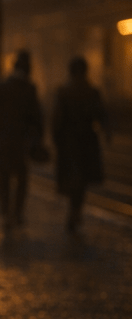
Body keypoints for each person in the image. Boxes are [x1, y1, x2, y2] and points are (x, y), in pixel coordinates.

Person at [0, 50, 45, 232]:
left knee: (3, 177)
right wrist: (37, 140)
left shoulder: (0, 86)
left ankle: (5, 213)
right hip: (20, 142)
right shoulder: (29, 88)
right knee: (21, 178)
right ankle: (17, 213)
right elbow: (37, 118)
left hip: (1, 141)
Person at [51, 56, 111, 233]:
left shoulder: (63, 92)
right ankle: (75, 211)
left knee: (73, 177)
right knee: (82, 179)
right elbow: (102, 114)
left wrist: (57, 138)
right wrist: (106, 132)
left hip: (69, 141)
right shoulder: (92, 92)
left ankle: (74, 211)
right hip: (87, 141)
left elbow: (57, 118)